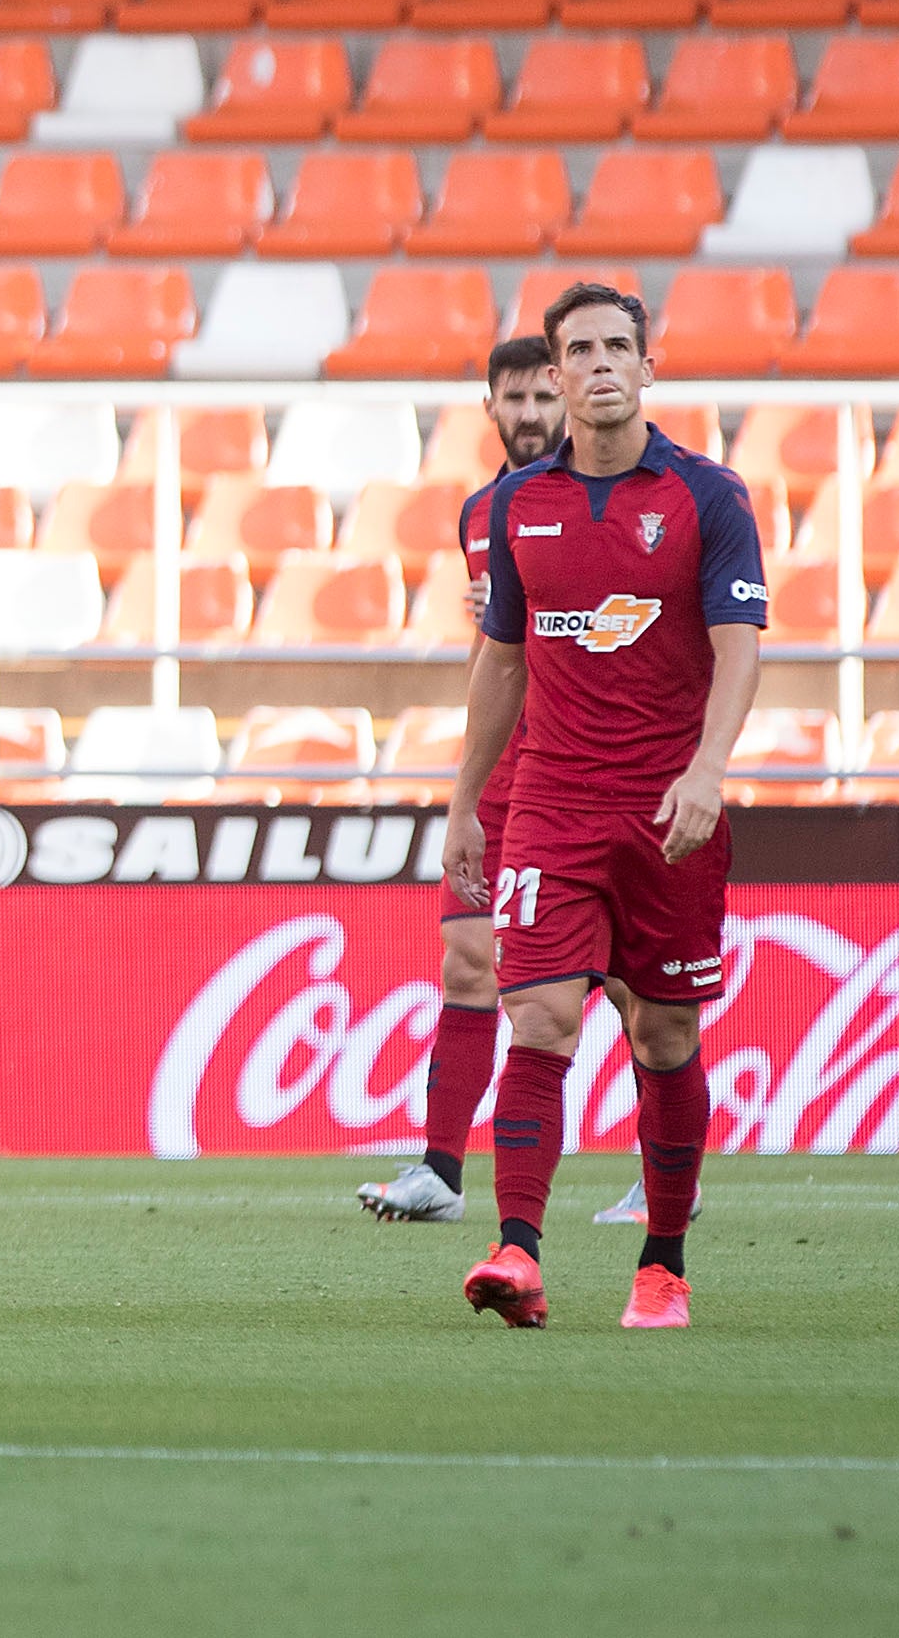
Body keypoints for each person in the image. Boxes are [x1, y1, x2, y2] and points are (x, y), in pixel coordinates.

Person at [447, 281, 764, 1332]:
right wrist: (462, 807)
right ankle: (517, 1250)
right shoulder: (516, 508)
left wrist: (708, 769)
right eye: (575, 348)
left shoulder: (706, 498)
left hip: (669, 811)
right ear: (555, 368)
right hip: (551, 805)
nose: (595, 364)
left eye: (613, 346)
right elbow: (498, 667)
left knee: (665, 1037)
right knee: (536, 1015)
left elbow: (738, 648)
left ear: (646, 364)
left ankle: (661, 1263)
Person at [357, 335, 565, 1226]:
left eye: (539, 397)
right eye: (510, 398)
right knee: (466, 958)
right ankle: (441, 1170)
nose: (527, 414)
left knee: (635, 989)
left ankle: (666, 1171)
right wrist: (468, 786)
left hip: (585, 763)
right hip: (503, 769)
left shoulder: (615, 497)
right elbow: (494, 656)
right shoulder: (482, 512)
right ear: (489, 406)